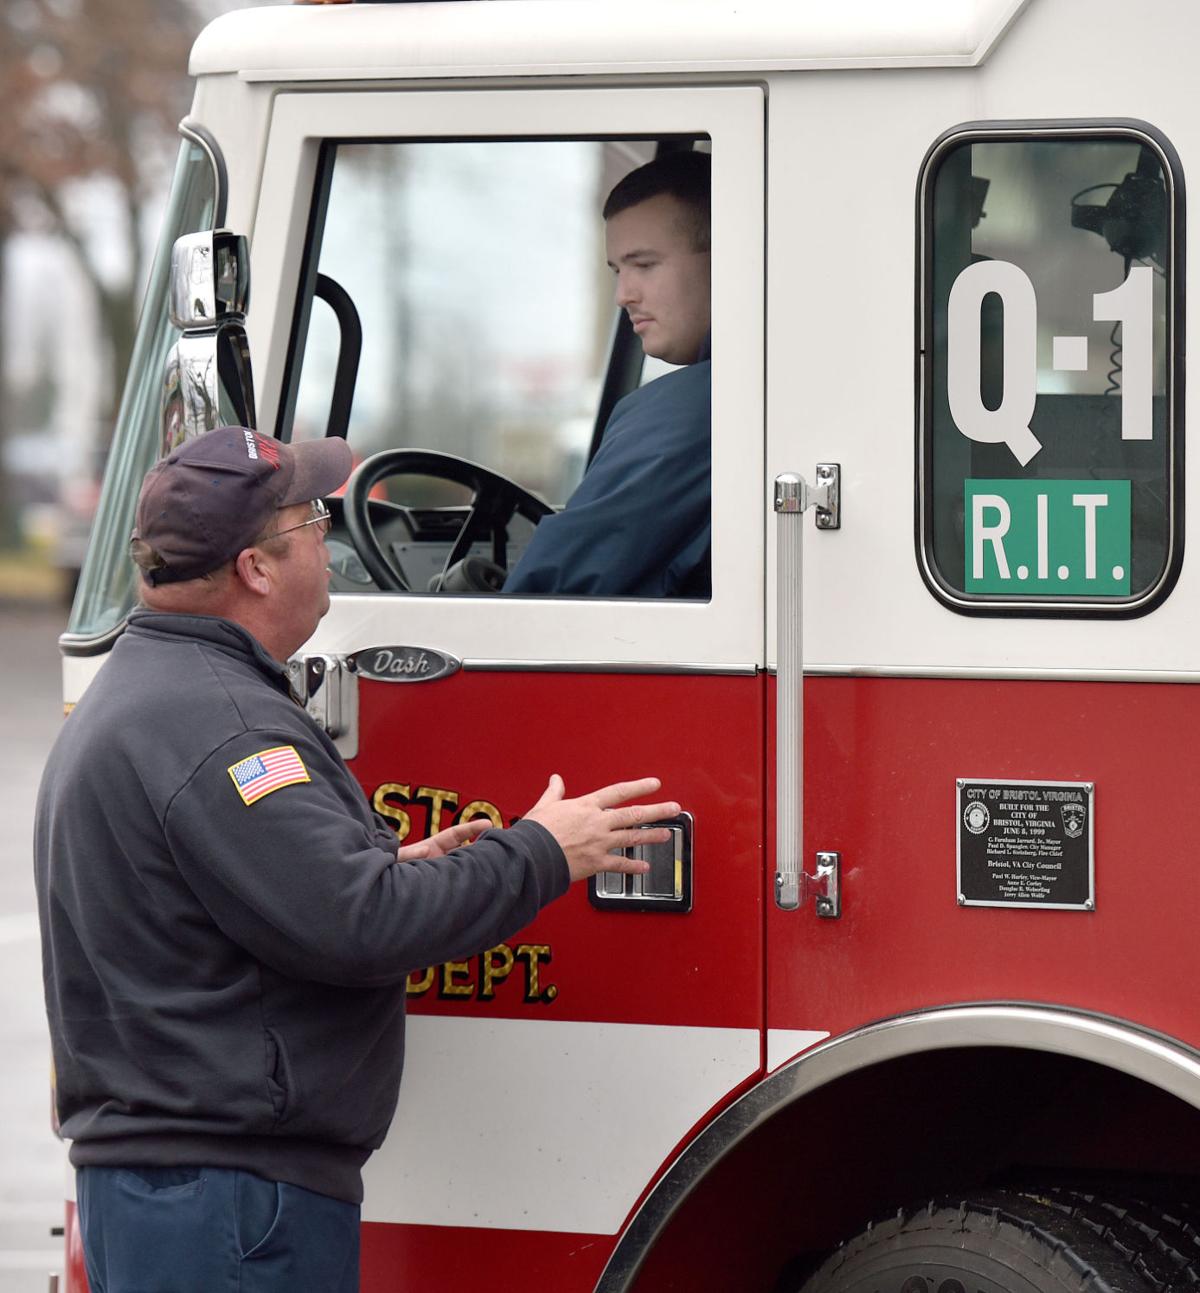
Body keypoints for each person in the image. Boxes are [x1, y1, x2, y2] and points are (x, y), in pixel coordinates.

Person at [34, 425, 676, 1293]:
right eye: (313, 519)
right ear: (257, 567)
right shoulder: (228, 730)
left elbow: (250, 900)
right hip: (230, 1207)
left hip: (176, 1193)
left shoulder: (148, 695)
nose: (331, 541)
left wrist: (390, 864)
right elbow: (358, 923)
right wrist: (542, 851)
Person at [504, 149, 711, 597]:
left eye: (645, 265)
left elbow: (546, 599)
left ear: (730, 260)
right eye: (618, 270)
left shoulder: (693, 408)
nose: (623, 295)